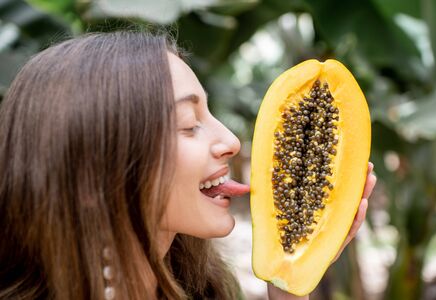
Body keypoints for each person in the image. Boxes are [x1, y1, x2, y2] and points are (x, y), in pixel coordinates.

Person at [0, 31, 376, 299]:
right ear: (91, 174)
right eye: (188, 124)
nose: (231, 141)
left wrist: (291, 279)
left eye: (210, 113)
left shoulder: (211, 290)